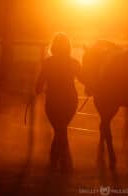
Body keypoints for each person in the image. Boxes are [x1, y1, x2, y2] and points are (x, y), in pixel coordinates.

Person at [36, 33, 81, 173]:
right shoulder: (74, 63)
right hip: (70, 101)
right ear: (68, 47)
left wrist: (39, 91)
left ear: (54, 46)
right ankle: (62, 162)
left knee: (59, 130)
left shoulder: (47, 63)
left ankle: (57, 162)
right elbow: (84, 79)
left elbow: (38, 87)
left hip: (53, 102)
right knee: (61, 130)